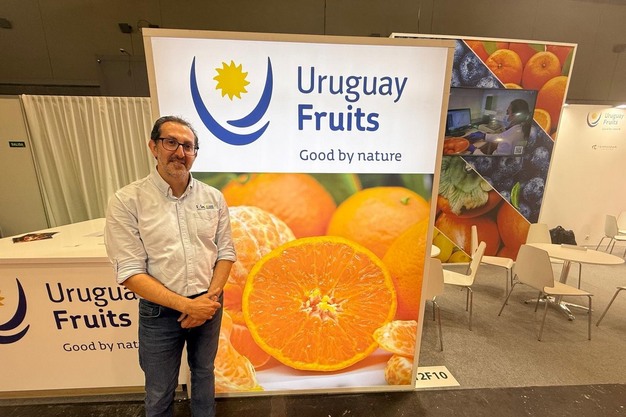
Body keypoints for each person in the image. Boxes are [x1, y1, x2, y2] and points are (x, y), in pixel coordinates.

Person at [104, 115, 236, 417]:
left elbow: (226, 252)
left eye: (188, 146)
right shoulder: (127, 201)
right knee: (160, 388)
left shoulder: (213, 197)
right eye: (171, 143)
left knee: (204, 373)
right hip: (160, 312)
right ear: (153, 147)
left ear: (195, 153)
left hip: (208, 304)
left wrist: (207, 302)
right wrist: (187, 306)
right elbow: (130, 271)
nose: (180, 152)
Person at [467, 99, 531, 155]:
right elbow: (501, 136)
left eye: (508, 112)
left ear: (515, 115)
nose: (506, 115)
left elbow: (491, 161)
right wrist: (484, 136)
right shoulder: (521, 128)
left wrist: (474, 150)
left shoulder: (509, 139)